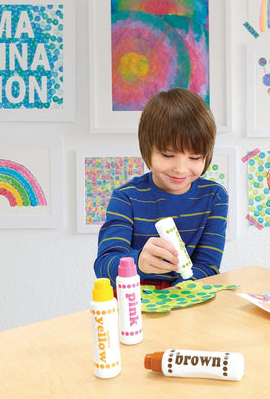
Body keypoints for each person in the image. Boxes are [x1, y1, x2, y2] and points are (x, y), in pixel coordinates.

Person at [94, 87, 228, 289]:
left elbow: (208, 266)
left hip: (188, 295)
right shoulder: (126, 198)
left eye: (194, 157)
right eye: (167, 155)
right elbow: (104, 266)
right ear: (147, 150)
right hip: (134, 298)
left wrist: (177, 293)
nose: (180, 169)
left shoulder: (214, 197)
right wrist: (138, 261)